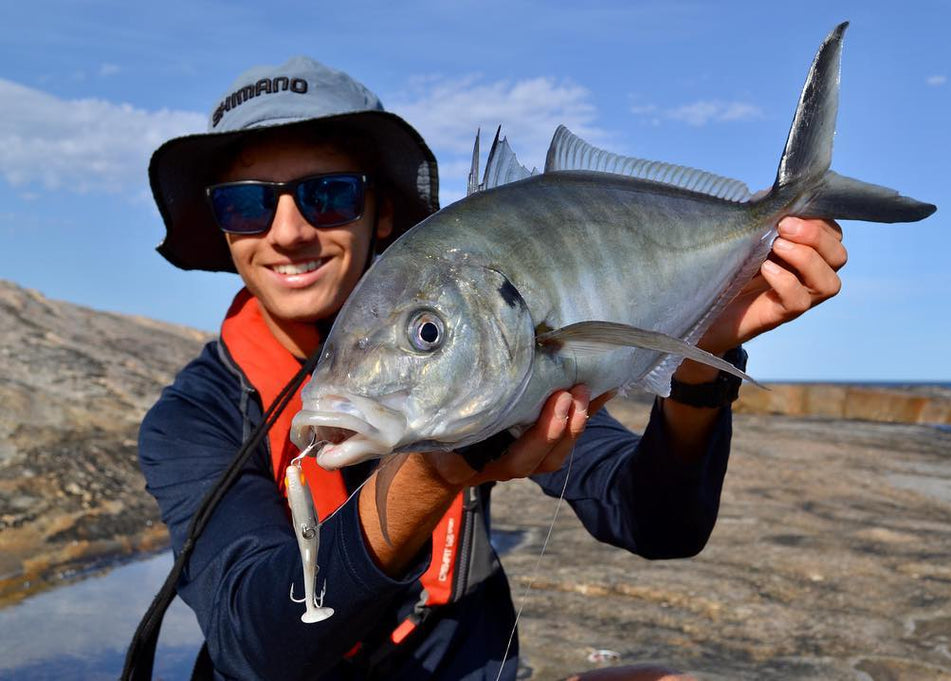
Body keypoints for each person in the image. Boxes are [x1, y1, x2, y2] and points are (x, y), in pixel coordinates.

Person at [140, 56, 846, 681]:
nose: (289, 230)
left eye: (328, 194)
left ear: (381, 212)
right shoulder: (193, 416)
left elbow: (657, 521)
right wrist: (439, 469)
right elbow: (256, 649)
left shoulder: (483, 350)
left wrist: (706, 354)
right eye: (246, 203)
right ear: (223, 229)